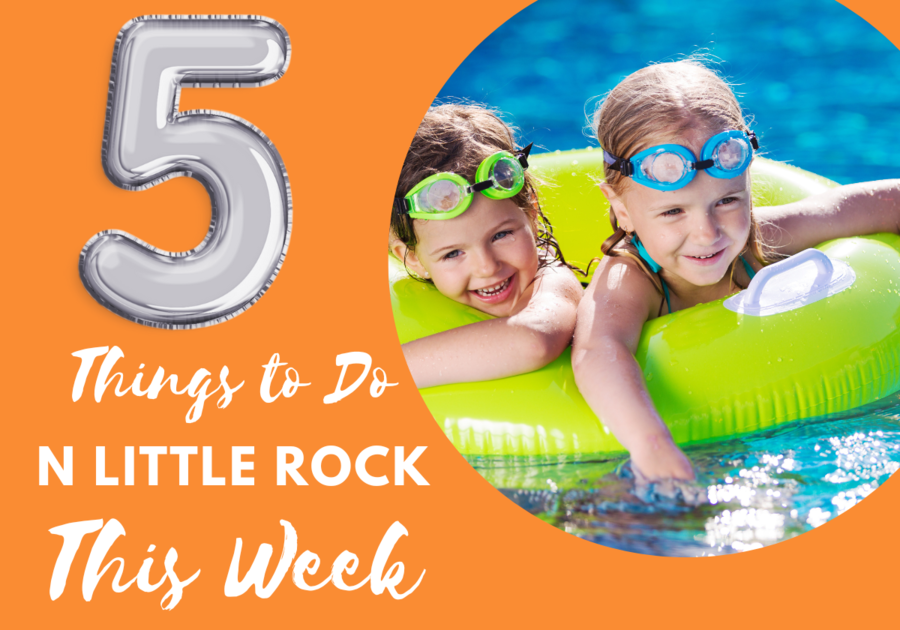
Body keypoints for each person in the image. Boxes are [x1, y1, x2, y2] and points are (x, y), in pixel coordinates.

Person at [572, 60, 900, 483]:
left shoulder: (759, 239)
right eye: (673, 211)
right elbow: (598, 349)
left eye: (726, 201)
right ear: (622, 211)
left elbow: (877, 203)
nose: (707, 234)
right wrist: (652, 445)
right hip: (682, 445)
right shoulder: (631, 277)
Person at [391, 104, 582, 389]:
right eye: (453, 253)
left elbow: (533, 340)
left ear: (530, 215)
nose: (487, 266)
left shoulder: (552, 281)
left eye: (501, 235)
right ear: (412, 258)